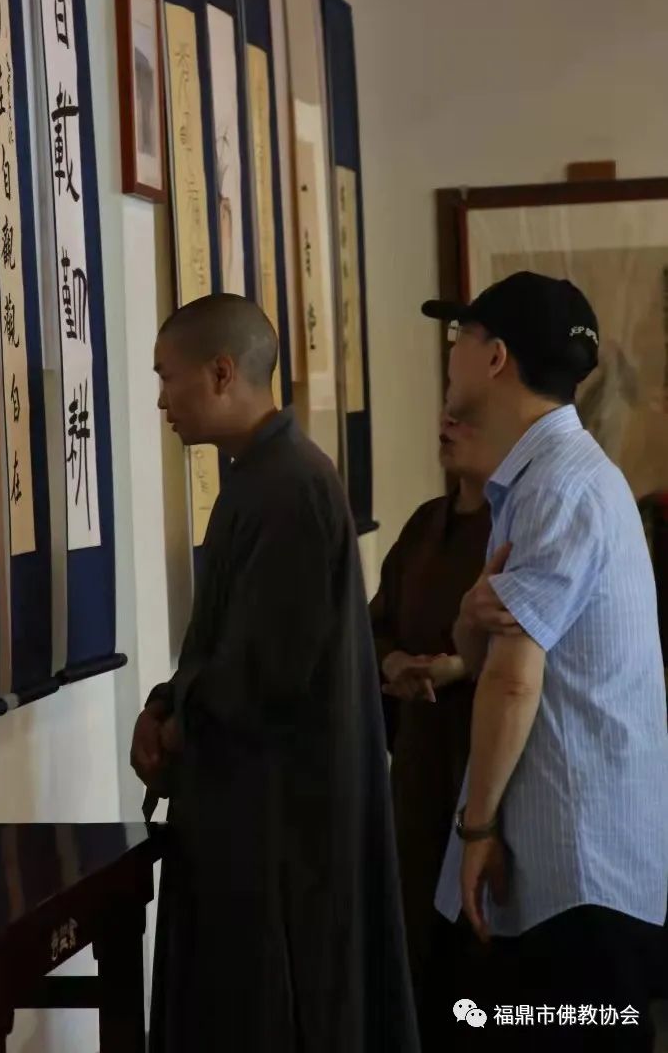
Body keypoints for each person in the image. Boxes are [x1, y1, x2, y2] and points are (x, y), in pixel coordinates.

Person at [130, 293, 419, 1053]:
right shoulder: (261, 477)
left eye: (166, 377)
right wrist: (164, 704)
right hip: (256, 814)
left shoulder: (288, 487)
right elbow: (222, 646)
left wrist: (173, 726)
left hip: (281, 830)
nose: (160, 400)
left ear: (222, 372)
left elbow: (261, 675)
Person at [421, 271, 668, 1051]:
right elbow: (484, 650)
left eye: (458, 338)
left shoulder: (556, 487)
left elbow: (511, 677)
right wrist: (468, 617)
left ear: (494, 357)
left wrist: (475, 827)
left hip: (578, 865)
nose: (450, 356)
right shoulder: (548, 478)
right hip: (574, 858)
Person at [370, 413, 491, 1031]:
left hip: (486, 765)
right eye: (446, 412)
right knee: (419, 950)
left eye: (465, 416)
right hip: (418, 771)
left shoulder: (519, 526)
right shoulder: (425, 526)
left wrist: (460, 667)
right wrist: (392, 661)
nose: (445, 424)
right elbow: (374, 625)